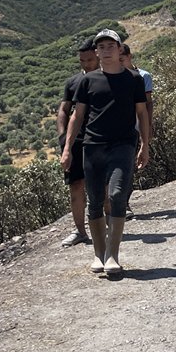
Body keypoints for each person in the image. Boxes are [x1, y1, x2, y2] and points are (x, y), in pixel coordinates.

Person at [61, 30, 150, 276]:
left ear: (120, 49)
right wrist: (67, 148)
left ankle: (113, 255)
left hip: (123, 145)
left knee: (118, 193)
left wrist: (145, 144)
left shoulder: (134, 80)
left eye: (111, 45)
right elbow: (76, 116)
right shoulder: (87, 81)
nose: (106, 49)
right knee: (96, 200)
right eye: (102, 46)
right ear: (97, 51)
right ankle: (99, 256)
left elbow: (142, 113)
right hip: (92, 147)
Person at [56, 39, 99, 247]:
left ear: (98, 56)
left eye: (90, 60)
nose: (86, 64)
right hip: (76, 141)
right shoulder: (73, 82)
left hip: (102, 140)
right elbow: (64, 110)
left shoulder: (108, 79)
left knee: (104, 185)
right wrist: (64, 139)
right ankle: (81, 232)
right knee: (76, 186)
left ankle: (108, 226)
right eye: (82, 60)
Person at [120, 44, 154, 219]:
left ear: (129, 56)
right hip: (117, 130)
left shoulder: (143, 76)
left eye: (122, 59)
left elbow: (148, 104)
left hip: (134, 129)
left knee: (129, 168)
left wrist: (146, 128)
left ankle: (124, 204)